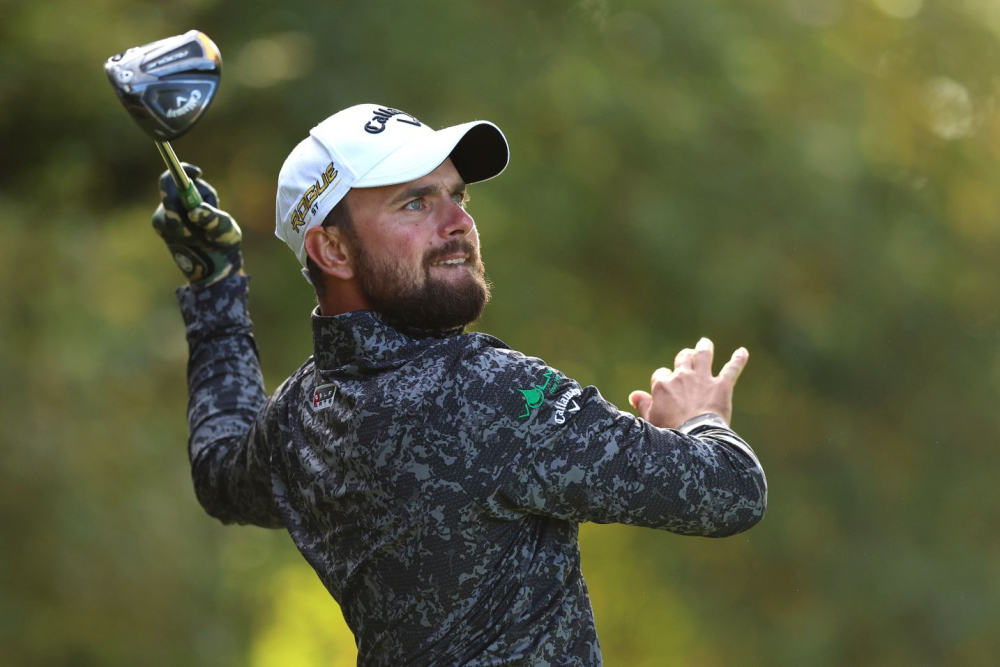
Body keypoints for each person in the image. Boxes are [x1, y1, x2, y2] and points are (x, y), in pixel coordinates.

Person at [152, 103, 767, 666]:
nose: (458, 223)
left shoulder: (300, 417)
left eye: (457, 196)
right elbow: (730, 490)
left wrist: (216, 287)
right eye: (414, 204)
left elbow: (219, 470)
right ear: (332, 250)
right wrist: (699, 419)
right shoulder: (496, 394)